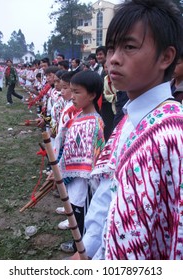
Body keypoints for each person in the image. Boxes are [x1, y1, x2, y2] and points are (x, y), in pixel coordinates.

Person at [70, 0, 183, 260]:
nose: (113, 60)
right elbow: (106, 196)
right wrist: (85, 250)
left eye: (129, 47)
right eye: (111, 48)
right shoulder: (128, 121)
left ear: (166, 57)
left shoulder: (173, 136)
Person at [49, 70, 105, 254]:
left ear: (92, 95)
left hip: (85, 183)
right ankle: (77, 247)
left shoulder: (95, 123)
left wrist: (66, 171)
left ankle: (81, 251)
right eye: (70, 91)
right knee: (74, 213)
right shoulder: (78, 117)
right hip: (73, 180)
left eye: (77, 92)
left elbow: (93, 158)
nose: (72, 96)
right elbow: (69, 148)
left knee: (83, 218)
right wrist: (59, 169)